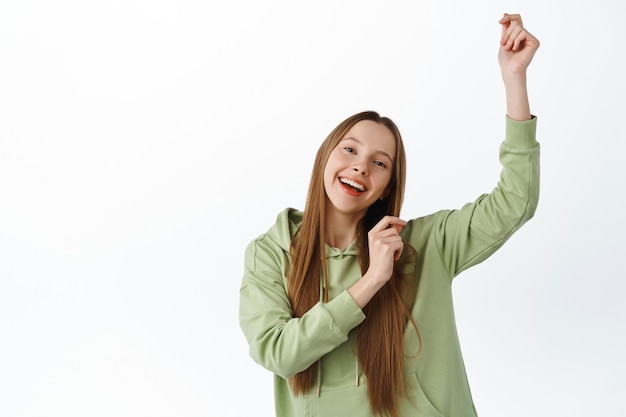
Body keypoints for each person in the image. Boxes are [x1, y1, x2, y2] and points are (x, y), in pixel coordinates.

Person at [239, 13, 540, 417]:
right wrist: (371, 281)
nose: (361, 167)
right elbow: (277, 352)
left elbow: (514, 202)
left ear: (387, 187)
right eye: (350, 149)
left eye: (380, 163)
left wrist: (514, 79)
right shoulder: (272, 252)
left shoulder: (421, 246)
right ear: (325, 156)